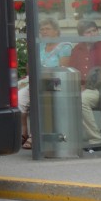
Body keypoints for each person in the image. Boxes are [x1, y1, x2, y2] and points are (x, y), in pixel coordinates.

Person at [18, 17, 74, 150]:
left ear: (56, 31)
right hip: (37, 81)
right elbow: (29, 68)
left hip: (55, 82)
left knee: (40, 98)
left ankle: (35, 135)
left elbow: (63, 69)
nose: (44, 32)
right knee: (19, 97)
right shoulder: (40, 45)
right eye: (42, 29)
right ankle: (23, 131)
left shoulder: (64, 46)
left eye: (47, 29)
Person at [68, 19, 101, 152]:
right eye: (88, 32)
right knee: (63, 98)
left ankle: (96, 139)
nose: (93, 34)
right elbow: (72, 72)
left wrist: (86, 86)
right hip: (81, 87)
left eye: (94, 30)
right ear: (81, 35)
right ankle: (67, 138)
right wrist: (77, 86)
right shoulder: (77, 49)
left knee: (82, 100)